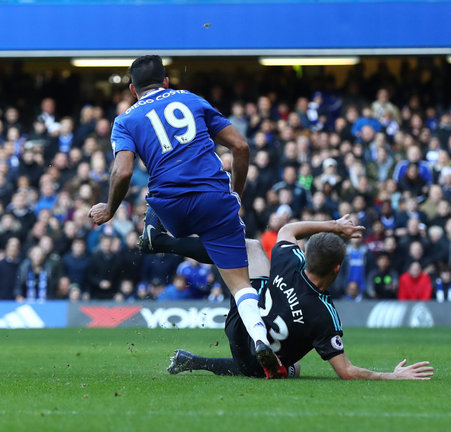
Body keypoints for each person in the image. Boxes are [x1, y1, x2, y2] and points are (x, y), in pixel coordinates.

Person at [87, 55, 282, 378]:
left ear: (133, 90)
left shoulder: (126, 120)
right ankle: (260, 338)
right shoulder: (190, 99)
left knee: (156, 189)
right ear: (166, 81)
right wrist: (237, 194)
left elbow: (122, 173)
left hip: (169, 205)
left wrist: (110, 208)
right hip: (214, 198)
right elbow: (242, 147)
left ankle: (156, 235)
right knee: (239, 283)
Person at [161, 215, 433, 380]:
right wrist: (392, 375)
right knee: (295, 368)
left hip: (241, 323)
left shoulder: (289, 260)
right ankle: (277, 365)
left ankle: (164, 243)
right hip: (256, 363)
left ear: (308, 255)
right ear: (337, 269)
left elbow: (288, 230)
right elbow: (346, 372)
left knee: (250, 247)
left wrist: (335, 226)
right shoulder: (325, 316)